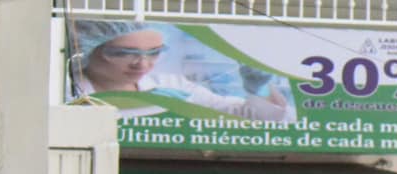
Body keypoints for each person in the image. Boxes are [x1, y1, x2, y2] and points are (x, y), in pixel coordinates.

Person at [69, 20, 291, 120]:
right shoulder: (66, 93)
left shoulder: (173, 87)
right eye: (124, 54)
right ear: (87, 49)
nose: (142, 65)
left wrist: (259, 89)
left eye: (154, 52)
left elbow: (250, 119)